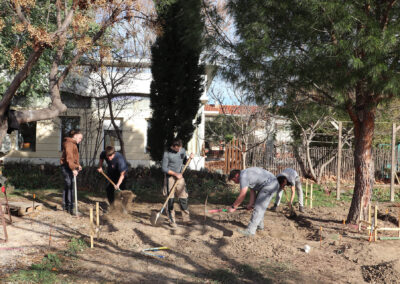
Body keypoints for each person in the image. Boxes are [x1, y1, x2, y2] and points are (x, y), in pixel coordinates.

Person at [228, 167, 281, 237]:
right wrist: (251, 204)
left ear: (236, 175)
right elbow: (252, 190)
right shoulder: (246, 174)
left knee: (258, 208)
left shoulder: (243, 176)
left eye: (234, 180)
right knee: (259, 207)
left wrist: (233, 206)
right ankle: (259, 226)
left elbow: (242, 194)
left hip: (270, 184)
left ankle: (250, 231)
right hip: (272, 183)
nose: (235, 182)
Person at [162, 139, 194, 228]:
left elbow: (184, 161)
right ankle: (172, 220)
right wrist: (175, 174)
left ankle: (186, 219)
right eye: (177, 148)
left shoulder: (182, 150)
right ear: (173, 146)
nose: (179, 150)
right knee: (170, 199)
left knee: (184, 197)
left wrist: (189, 158)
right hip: (170, 178)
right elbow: (164, 168)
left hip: (180, 177)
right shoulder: (167, 154)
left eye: (180, 148)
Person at [60, 129, 83, 215]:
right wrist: (73, 169)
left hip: (69, 166)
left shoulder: (72, 144)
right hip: (67, 167)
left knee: (68, 186)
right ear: (75, 135)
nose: (80, 140)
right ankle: (70, 208)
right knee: (70, 186)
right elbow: (69, 158)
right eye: (80, 138)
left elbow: (73, 158)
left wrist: (77, 165)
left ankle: (66, 206)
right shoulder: (69, 144)